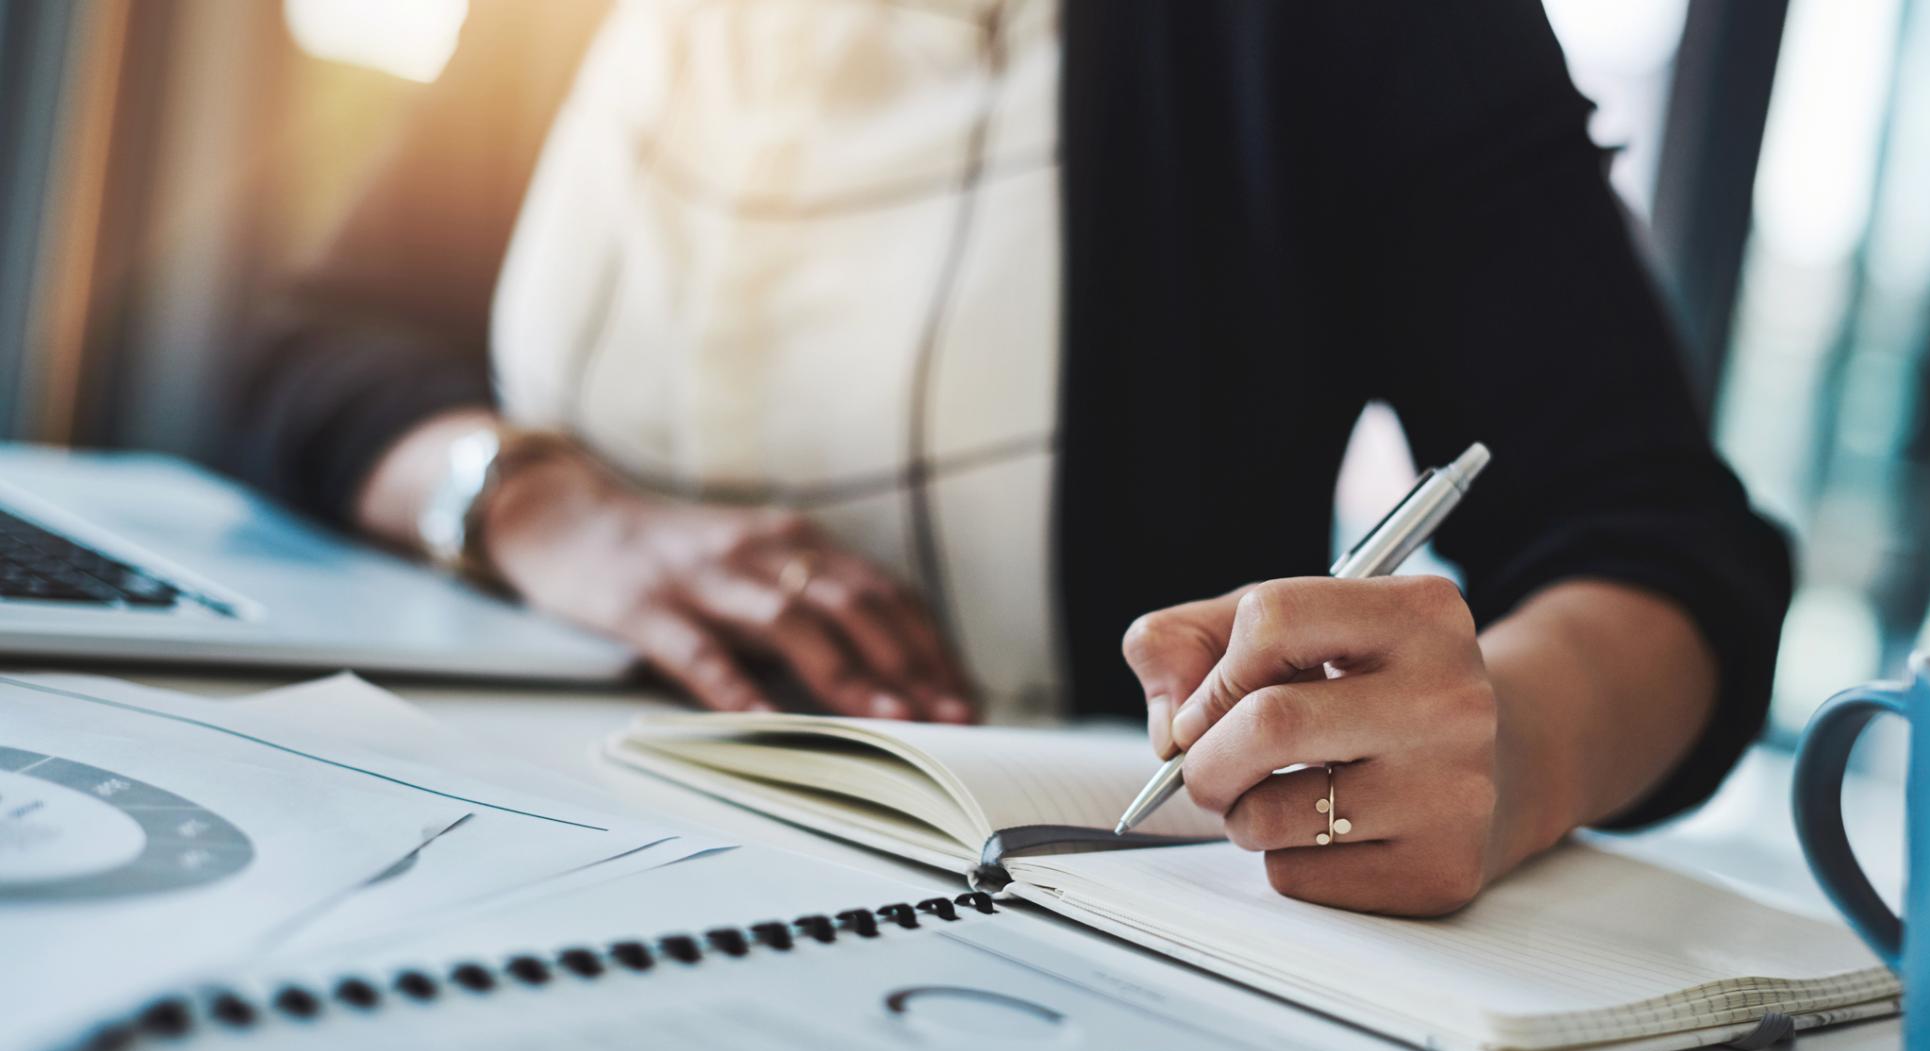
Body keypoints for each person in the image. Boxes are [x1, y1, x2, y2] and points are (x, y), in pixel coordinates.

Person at [233, 0, 1791, 914]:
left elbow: (1663, 548)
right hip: (439, 837)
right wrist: (555, 512)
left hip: (1012, 918)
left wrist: (1511, 748)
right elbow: (306, 344)